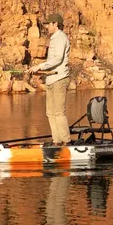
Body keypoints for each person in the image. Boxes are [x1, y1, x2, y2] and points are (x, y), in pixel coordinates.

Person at [28, 13, 71, 146]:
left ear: (55, 24)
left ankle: (67, 142)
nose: (47, 27)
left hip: (59, 79)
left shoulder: (61, 38)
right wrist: (40, 70)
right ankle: (57, 141)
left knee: (59, 112)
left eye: (49, 24)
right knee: (50, 113)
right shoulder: (54, 38)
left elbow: (58, 59)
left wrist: (39, 66)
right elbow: (52, 61)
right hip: (51, 80)